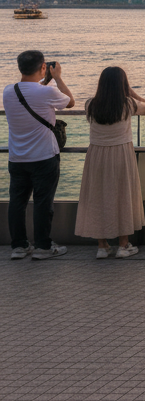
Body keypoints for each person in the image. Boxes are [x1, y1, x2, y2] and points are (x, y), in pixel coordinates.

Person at [76, 67, 145, 258]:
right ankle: (123, 245)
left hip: (96, 154)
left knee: (98, 196)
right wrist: (131, 92)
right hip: (121, 153)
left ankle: (102, 246)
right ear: (122, 84)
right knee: (123, 195)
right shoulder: (128, 104)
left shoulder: (90, 104)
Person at [5, 50, 74, 260]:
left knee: (17, 202)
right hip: (44, 156)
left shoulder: (8, 91)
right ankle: (43, 247)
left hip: (17, 157)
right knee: (43, 203)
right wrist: (58, 78)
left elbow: (31, 93)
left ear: (20, 67)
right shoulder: (47, 92)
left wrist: (44, 80)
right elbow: (70, 102)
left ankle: (19, 246)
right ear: (43, 67)